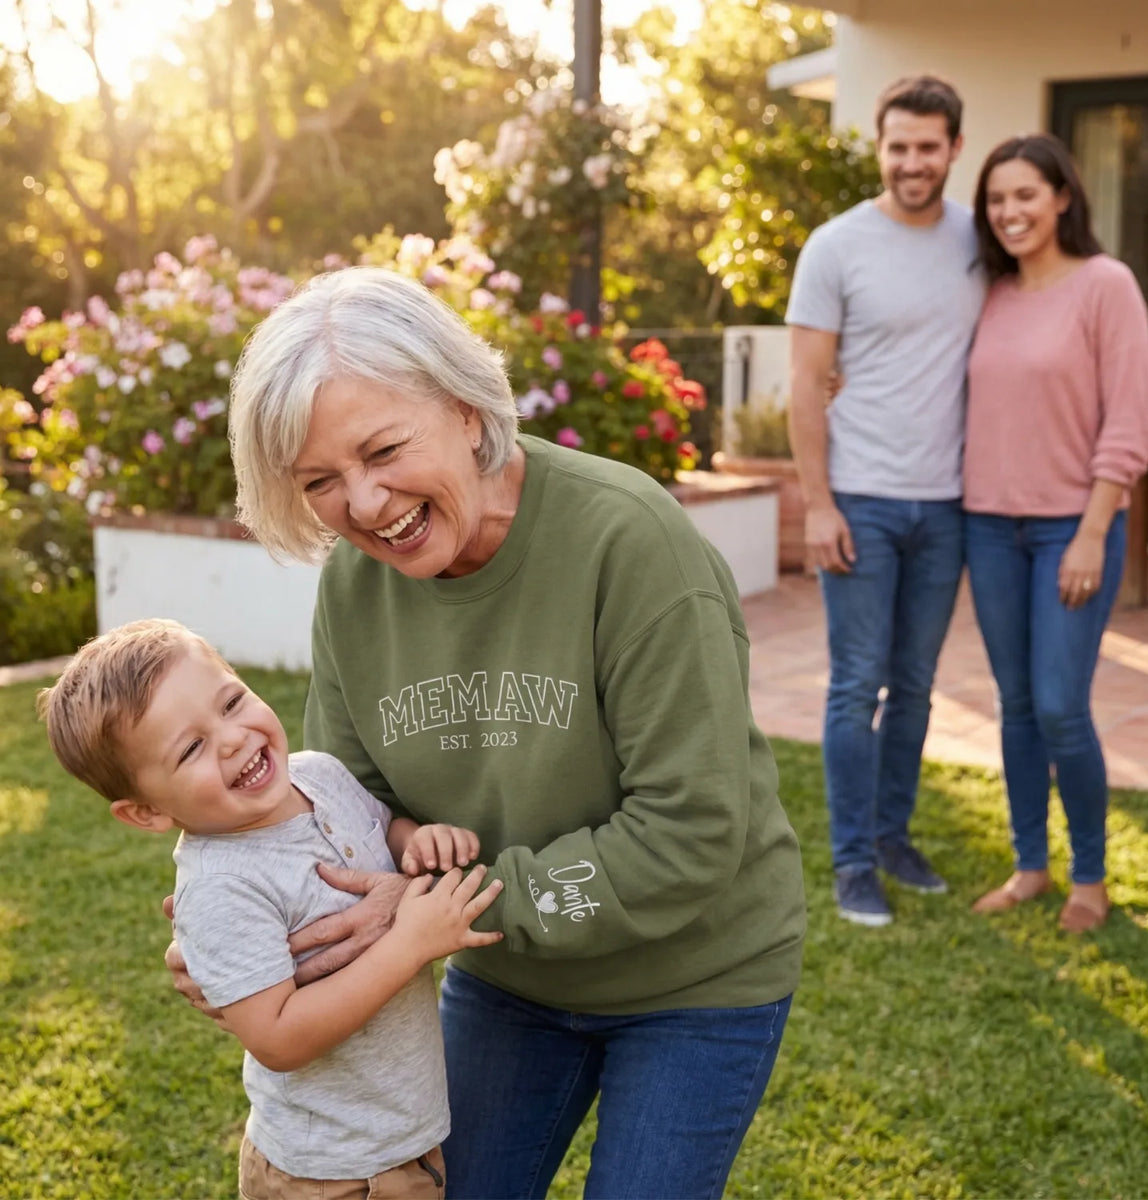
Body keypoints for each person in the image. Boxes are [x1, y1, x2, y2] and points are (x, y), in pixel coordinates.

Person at [166, 265, 807, 1200]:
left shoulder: (629, 542)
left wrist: (457, 909)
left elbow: (692, 833)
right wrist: (248, 935)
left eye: (384, 449)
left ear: (467, 409)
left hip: (693, 983)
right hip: (507, 981)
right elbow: (346, 811)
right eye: (322, 482)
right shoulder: (355, 585)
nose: (369, 504)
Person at [39, 617, 504, 1199]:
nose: (233, 738)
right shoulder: (220, 887)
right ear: (147, 813)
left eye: (231, 702)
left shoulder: (320, 775)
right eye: (192, 748)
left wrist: (417, 843)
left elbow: (382, 831)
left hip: (400, 1143)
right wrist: (409, 943)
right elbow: (278, 1039)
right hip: (330, 1174)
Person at [786, 75, 987, 926]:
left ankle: (896, 836)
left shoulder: (982, 242)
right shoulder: (836, 245)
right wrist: (818, 503)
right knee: (854, 685)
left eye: (927, 147)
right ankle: (853, 861)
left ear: (953, 149)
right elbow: (802, 380)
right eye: (897, 146)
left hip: (947, 505)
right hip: (860, 499)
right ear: (881, 147)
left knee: (914, 688)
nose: (912, 161)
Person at [964, 133, 1148, 932]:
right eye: (997, 200)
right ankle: (1029, 865)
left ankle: (1091, 876)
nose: (1010, 212)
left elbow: (1128, 421)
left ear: (1063, 197)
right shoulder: (995, 293)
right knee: (1014, 706)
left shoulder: (1107, 285)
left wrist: (1091, 529)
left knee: (1061, 706)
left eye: (1026, 195)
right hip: (987, 525)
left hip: (1071, 530)